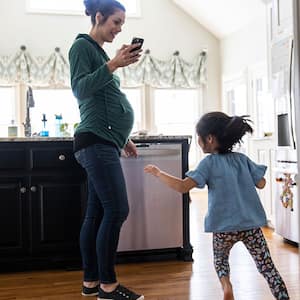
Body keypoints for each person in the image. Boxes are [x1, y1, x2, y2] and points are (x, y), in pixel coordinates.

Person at [144, 112, 290, 300]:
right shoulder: (242, 159)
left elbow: (182, 187)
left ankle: (226, 285)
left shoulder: (208, 164)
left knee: (221, 261)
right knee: (267, 266)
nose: (198, 141)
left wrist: (158, 173)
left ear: (210, 139)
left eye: (199, 137)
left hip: (223, 227)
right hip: (251, 226)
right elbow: (261, 183)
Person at [68, 0, 144, 299]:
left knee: (97, 214)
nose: (119, 29)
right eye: (116, 22)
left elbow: (103, 102)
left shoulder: (97, 52)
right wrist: (113, 64)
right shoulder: (82, 47)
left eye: (122, 24)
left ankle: (90, 283)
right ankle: (108, 286)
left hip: (104, 140)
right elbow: (80, 89)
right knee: (117, 210)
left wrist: (123, 137)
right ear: (99, 17)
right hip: (95, 142)